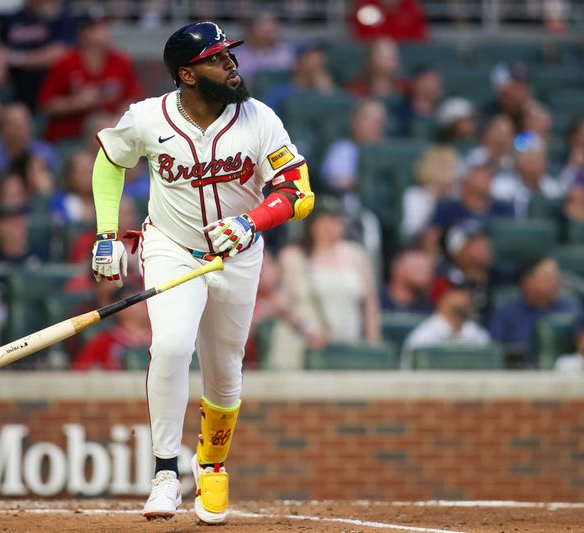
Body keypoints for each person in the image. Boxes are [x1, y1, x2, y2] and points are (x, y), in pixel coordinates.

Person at [89, 22, 316, 523]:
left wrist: (251, 221)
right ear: (187, 75)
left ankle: (211, 465)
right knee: (170, 347)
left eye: (229, 55)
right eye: (217, 59)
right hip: (173, 247)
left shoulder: (260, 119)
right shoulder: (149, 118)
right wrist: (108, 233)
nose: (231, 65)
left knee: (225, 371)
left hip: (238, 252)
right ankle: (167, 475)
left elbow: (299, 191)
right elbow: (110, 161)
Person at [271, 195, 381, 368]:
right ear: (313, 224)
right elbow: (280, 303)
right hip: (301, 346)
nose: (332, 225)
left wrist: (372, 345)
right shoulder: (293, 256)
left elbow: (370, 305)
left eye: (337, 220)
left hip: (345, 348)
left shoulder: (356, 254)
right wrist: (306, 329)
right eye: (326, 220)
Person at [38, 6, 143, 142]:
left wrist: (119, 117)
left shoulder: (121, 61)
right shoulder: (65, 63)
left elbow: (134, 97)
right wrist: (75, 103)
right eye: (99, 28)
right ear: (85, 33)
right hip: (70, 137)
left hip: (112, 132)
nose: (106, 32)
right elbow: (46, 105)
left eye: (106, 27)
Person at [489, 257, 582, 367]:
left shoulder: (572, 309)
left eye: (556, 276)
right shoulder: (505, 314)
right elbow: (494, 352)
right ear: (527, 281)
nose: (555, 282)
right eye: (548, 277)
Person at [399, 271, 490, 369]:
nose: (467, 295)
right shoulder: (422, 338)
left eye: (468, 290)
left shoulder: (478, 335)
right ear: (442, 296)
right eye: (458, 290)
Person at [0, 0, 77, 111]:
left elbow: (57, 53)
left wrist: (17, 59)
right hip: (17, 90)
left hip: (47, 93)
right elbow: (1, 52)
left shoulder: (60, 18)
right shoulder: (12, 18)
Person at [0, 103, 58, 179]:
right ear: (3, 130)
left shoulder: (45, 153)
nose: (25, 130)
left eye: (27, 124)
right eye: (17, 126)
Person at [401, 145, 459, 243]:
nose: (450, 173)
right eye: (444, 167)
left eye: (452, 167)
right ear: (430, 168)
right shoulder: (415, 195)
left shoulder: (456, 193)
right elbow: (409, 229)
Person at [231, 12, 294, 84]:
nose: (268, 36)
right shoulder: (237, 55)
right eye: (264, 31)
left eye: (271, 31)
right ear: (251, 31)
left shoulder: (285, 54)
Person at [351, 0, 429, 42]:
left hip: (406, 58)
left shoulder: (411, 7)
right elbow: (359, 39)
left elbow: (420, 41)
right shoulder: (365, 5)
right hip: (371, 61)